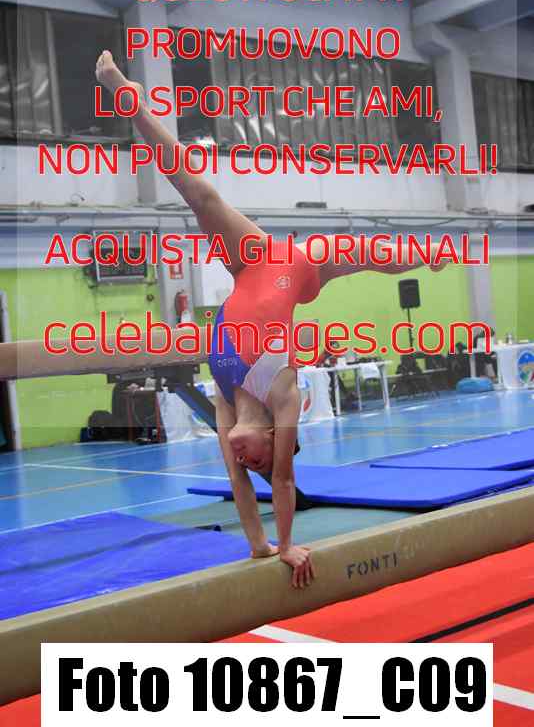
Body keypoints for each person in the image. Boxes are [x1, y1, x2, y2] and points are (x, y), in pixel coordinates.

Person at [95, 50, 450, 589]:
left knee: (200, 198)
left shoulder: (223, 401)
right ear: (274, 438)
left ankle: (130, 101)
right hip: (294, 265)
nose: (245, 460)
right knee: (365, 255)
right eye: (258, 459)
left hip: (249, 265)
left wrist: (260, 546)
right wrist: (287, 545)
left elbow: (241, 485)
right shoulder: (286, 395)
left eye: (248, 463)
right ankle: (429, 254)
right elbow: (281, 482)